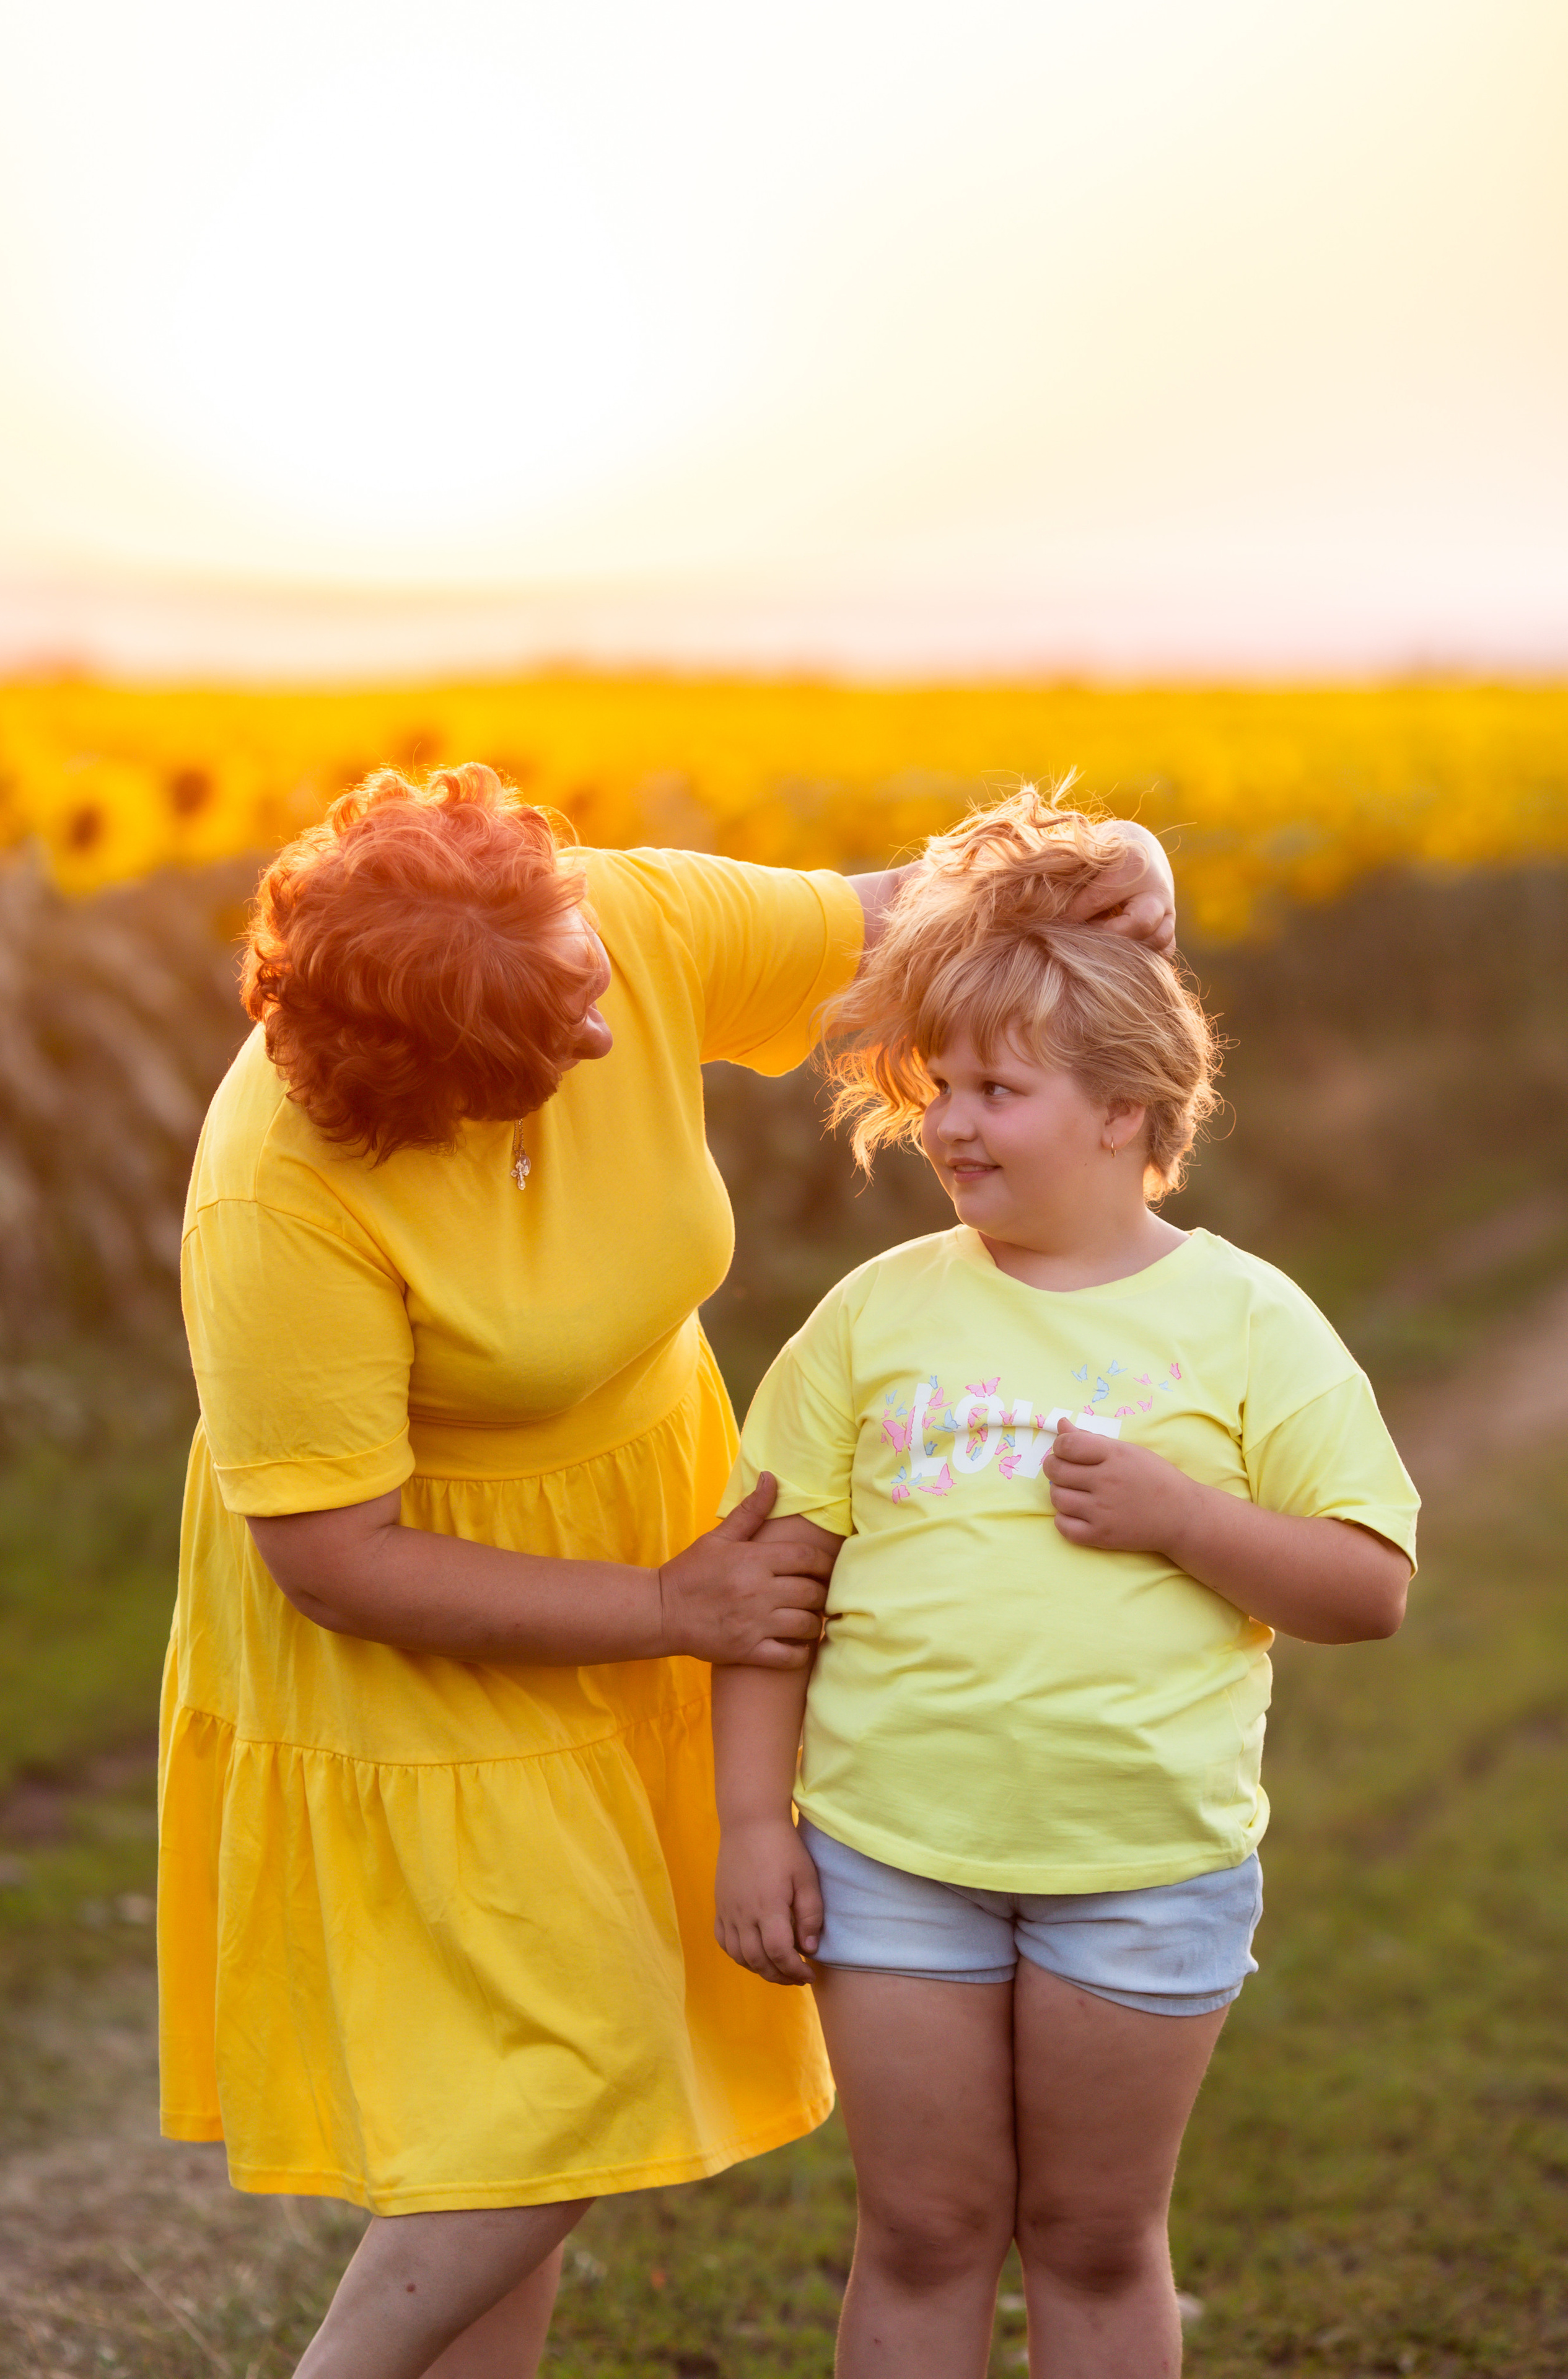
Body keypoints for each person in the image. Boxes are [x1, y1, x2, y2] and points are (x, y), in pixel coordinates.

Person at [157, 760, 1175, 2379]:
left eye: (586, 978)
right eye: (551, 1032)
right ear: (421, 1073)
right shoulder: (279, 1191)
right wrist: (664, 1613)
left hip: (650, 1530)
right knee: (569, 2079)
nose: (610, 1031)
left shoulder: (615, 920)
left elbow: (900, 913)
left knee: (517, 2120)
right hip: (424, 1622)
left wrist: (1110, 856)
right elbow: (334, 1559)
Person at [712, 790, 1419, 2379]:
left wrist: (1186, 1518)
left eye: (997, 1089)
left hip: (1142, 1869)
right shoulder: (874, 1316)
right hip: (893, 1854)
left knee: (1096, 2243)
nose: (950, 1122)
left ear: (1123, 1109)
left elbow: (1364, 1583)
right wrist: (757, 1823)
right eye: (939, 1085)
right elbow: (770, 1590)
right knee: (920, 2235)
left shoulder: (1249, 1319)